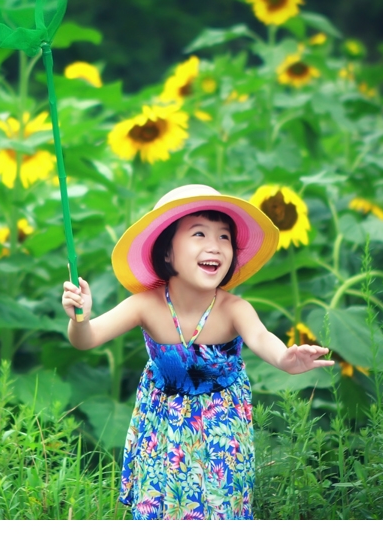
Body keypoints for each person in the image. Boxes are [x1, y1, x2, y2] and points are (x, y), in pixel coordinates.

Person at [61, 184, 333, 519]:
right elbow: (85, 339)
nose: (214, 246)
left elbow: (261, 338)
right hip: (162, 422)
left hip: (221, 423)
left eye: (224, 237)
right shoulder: (146, 305)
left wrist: (284, 359)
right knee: (160, 502)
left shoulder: (234, 308)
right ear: (166, 252)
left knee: (220, 505)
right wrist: (81, 318)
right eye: (199, 234)